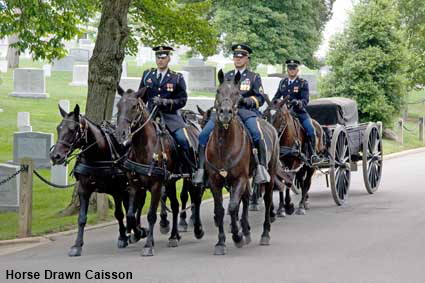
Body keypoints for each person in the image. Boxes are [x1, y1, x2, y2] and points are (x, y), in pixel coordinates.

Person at [193, 44, 270, 186]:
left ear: (247, 59)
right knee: (204, 135)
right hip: (224, 112)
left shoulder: (253, 77)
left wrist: (245, 100)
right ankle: (201, 170)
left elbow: (260, 99)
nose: (238, 59)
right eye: (236, 56)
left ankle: (261, 168)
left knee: (256, 134)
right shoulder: (226, 76)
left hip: (245, 112)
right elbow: (220, 94)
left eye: (241, 56)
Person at [138, 45, 193, 173]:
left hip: (170, 117)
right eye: (158, 57)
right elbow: (141, 96)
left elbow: (182, 100)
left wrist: (166, 102)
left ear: (169, 59)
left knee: (182, 140)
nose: (160, 60)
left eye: (163, 57)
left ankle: (189, 168)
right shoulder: (147, 74)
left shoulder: (176, 77)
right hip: (150, 115)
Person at [272, 59, 319, 164]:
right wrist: (275, 102)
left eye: (294, 68)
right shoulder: (282, 83)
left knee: (310, 130)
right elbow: (276, 96)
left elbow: (305, 100)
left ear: (297, 70)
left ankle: (313, 154)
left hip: (299, 112)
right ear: (287, 70)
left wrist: (298, 102)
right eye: (290, 68)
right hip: (285, 113)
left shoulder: (302, 83)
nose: (292, 70)